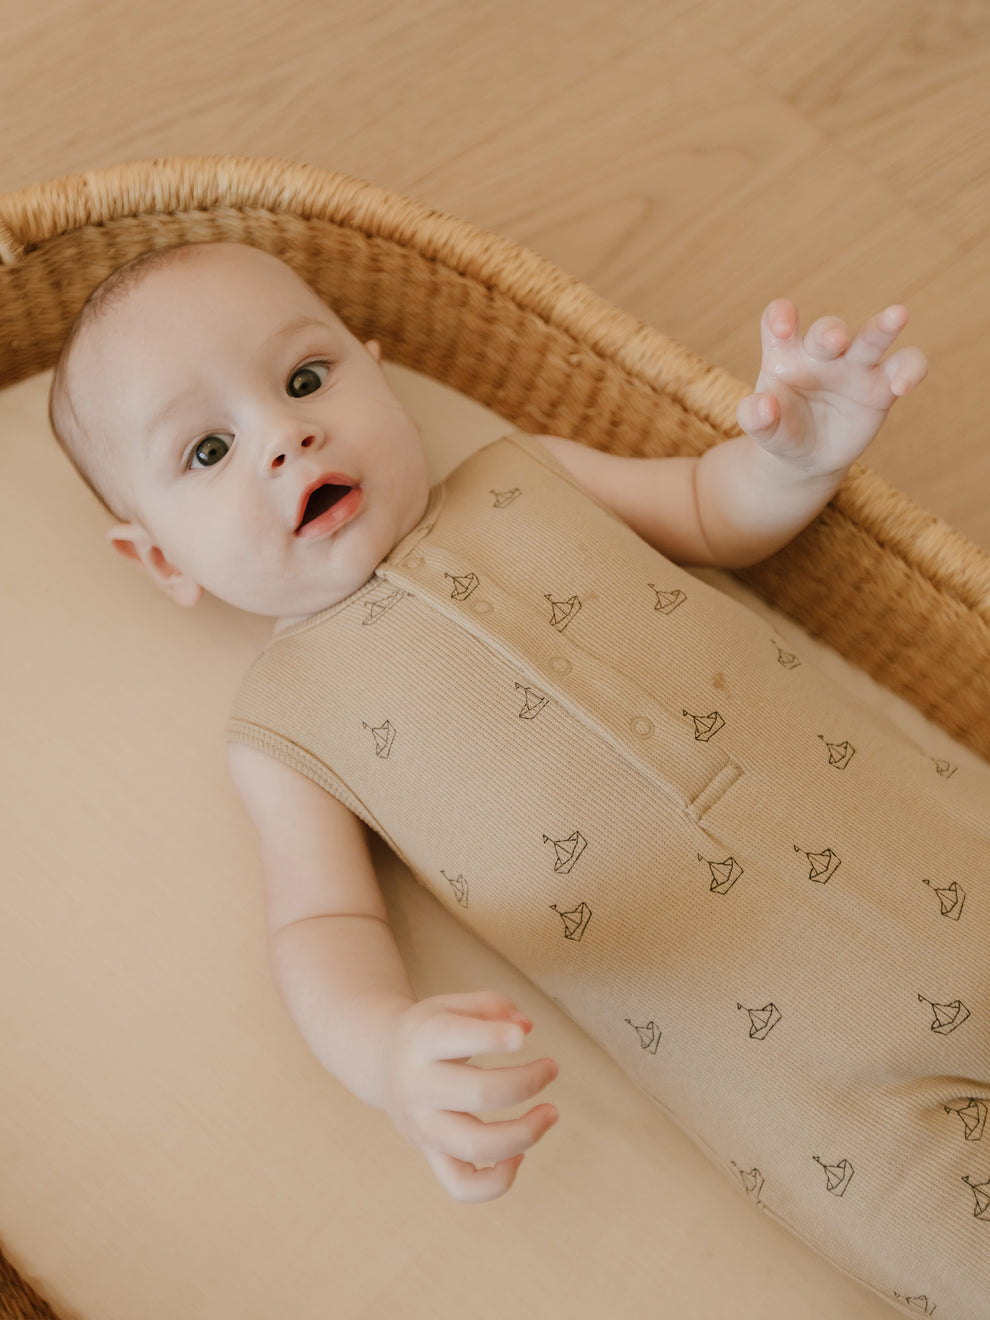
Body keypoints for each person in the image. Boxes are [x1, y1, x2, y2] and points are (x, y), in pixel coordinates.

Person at [50, 241, 990, 1317]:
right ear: (161, 559)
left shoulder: (527, 473)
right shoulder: (283, 723)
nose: (284, 434)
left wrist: (793, 462)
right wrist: (389, 1055)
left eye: (306, 379)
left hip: (943, 856)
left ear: (377, 373)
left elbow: (708, 510)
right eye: (208, 450)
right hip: (818, 1094)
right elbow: (320, 927)